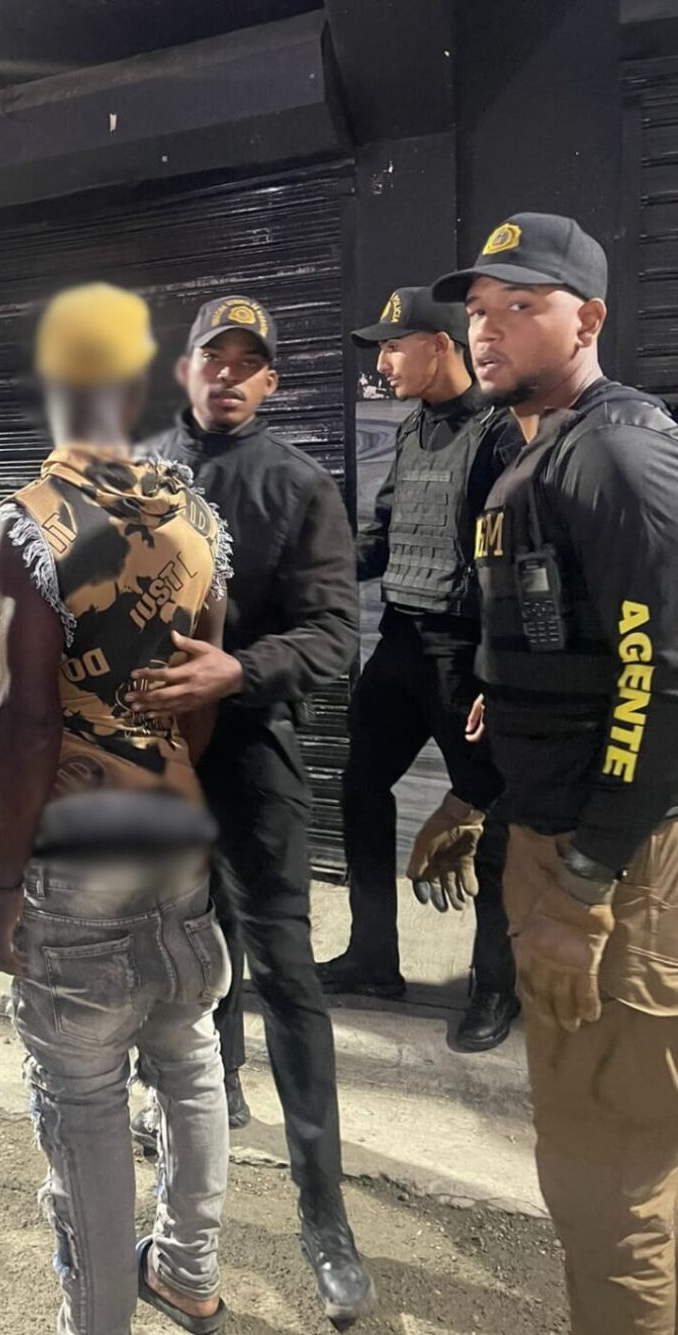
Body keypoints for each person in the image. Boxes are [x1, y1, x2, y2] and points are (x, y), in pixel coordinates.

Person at [424, 212, 678, 1334]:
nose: (488, 329)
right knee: (593, 1159)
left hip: (611, 866)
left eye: (522, 306)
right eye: (480, 310)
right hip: (554, 838)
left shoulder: (617, 453)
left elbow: (660, 682)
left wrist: (582, 886)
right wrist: (478, 788)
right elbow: (559, 656)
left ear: (591, 319)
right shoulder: (534, 450)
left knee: (611, 1175)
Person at [0, 283, 234, 1335]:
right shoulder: (197, 520)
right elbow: (198, 708)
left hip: (80, 859)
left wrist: (3, 887)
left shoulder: (31, 522)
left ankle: (100, 1322)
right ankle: (190, 1275)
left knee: (84, 1099)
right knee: (190, 1057)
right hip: (176, 838)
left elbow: (29, 720)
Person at [128, 296, 376, 1328]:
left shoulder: (298, 484)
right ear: (184, 370)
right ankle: (209, 1104)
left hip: (251, 757)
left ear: (270, 380)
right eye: (212, 357)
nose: (227, 374)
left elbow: (335, 635)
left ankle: (326, 1217)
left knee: (284, 971)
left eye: (248, 362)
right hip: (151, 761)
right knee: (182, 959)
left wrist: (238, 669)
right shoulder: (132, 473)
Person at [315, 286, 521, 1051]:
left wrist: (501, 675)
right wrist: (318, 572)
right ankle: (374, 957)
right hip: (402, 642)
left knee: (487, 824)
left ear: (439, 344)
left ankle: (495, 987)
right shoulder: (411, 429)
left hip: (465, 654)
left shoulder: (502, 433)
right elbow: (385, 535)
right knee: (360, 788)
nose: (382, 362)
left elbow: (513, 563)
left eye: (393, 346)